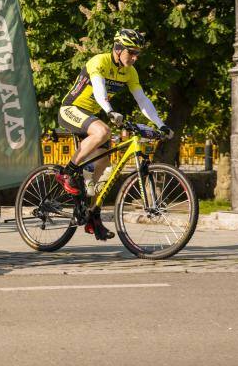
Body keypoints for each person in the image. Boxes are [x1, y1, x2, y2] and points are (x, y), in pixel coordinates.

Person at [55, 28, 174, 240]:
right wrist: (109, 111)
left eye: (138, 53)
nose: (135, 57)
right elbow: (100, 90)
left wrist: (160, 124)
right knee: (103, 131)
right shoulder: (98, 61)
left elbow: (142, 100)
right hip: (71, 109)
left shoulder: (130, 72)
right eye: (131, 52)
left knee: (104, 165)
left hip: (89, 116)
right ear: (118, 49)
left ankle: (93, 215)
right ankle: (67, 172)